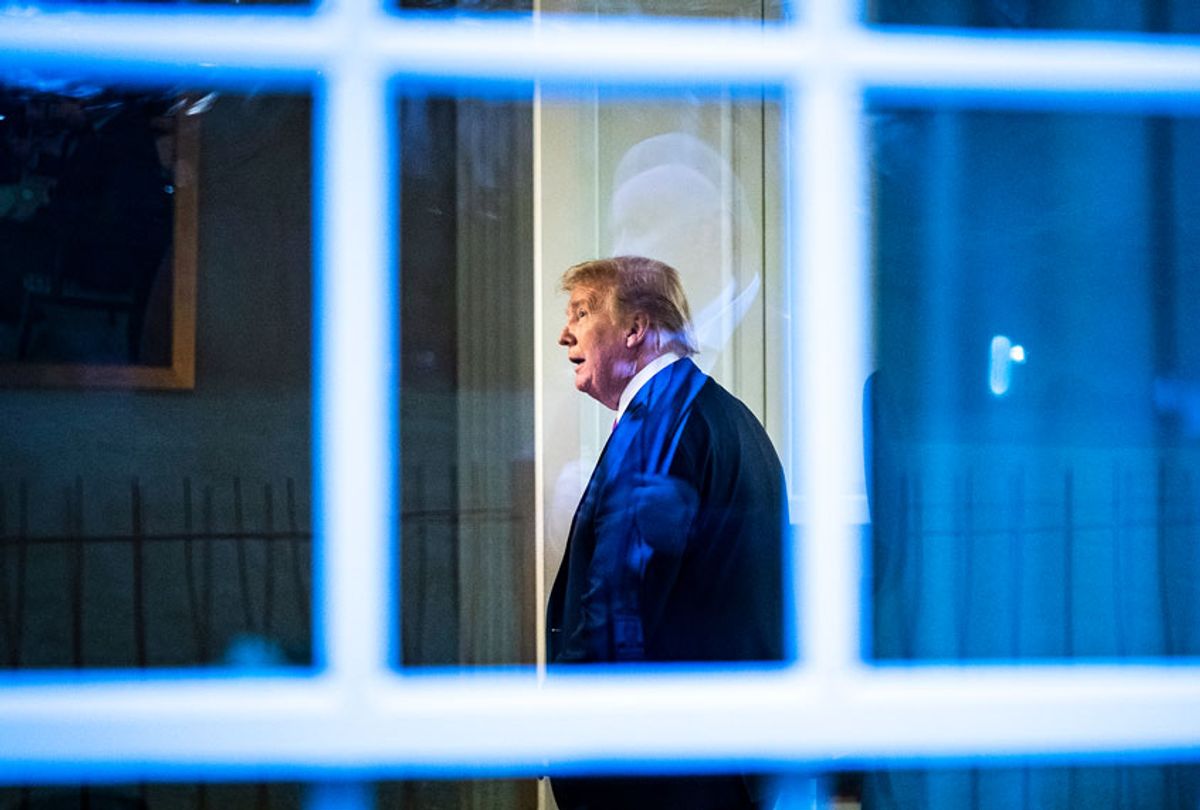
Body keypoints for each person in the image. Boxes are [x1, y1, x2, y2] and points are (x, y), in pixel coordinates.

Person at [546, 255, 786, 810]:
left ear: (636, 330)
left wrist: (560, 726)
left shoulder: (655, 425)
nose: (564, 335)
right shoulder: (730, 417)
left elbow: (618, 608)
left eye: (581, 314)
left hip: (662, 773)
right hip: (725, 764)